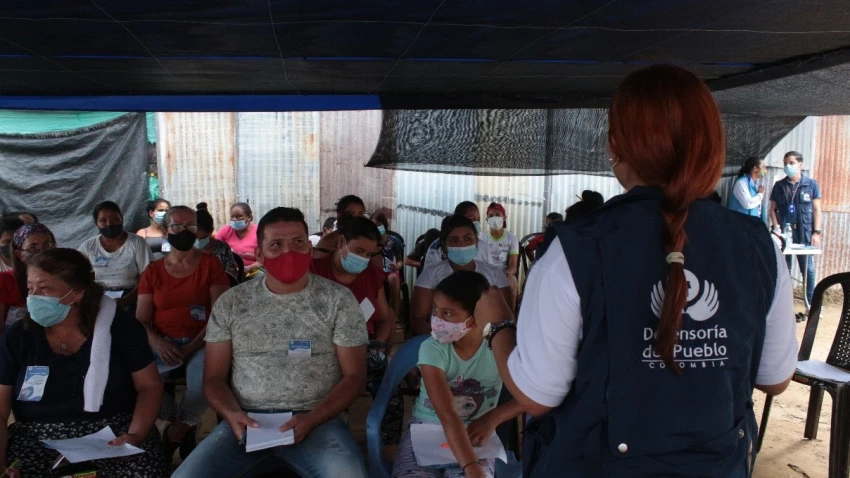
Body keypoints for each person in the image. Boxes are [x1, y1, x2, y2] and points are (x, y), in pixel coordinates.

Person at [475, 65, 798, 476]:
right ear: (711, 144)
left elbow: (537, 396)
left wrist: (497, 326)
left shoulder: (574, 249)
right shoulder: (759, 247)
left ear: (616, 146)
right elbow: (774, 379)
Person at [173, 207, 369, 478]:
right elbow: (213, 378)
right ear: (259, 255)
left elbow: (355, 377)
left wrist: (312, 419)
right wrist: (232, 415)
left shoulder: (338, 300)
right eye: (276, 244)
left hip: (318, 420)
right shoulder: (232, 303)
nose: (289, 252)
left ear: (310, 250)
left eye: (298, 243)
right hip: (245, 423)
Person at [0, 249, 164, 477]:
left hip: (113, 434)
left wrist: (135, 435)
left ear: (77, 293)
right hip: (37, 439)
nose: (34, 296)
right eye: (30, 288)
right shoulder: (20, 336)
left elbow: (149, 387)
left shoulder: (120, 328)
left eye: (45, 288)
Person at [392, 271, 523, 478]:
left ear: (475, 318)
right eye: (435, 309)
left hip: (476, 433)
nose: (436, 319)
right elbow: (447, 413)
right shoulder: (432, 348)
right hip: (426, 429)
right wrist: (471, 466)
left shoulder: (498, 347)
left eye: (448, 313)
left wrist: (494, 417)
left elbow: (533, 396)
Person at [136, 206, 229, 463]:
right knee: (132, 379)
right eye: (177, 226)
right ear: (166, 231)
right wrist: (156, 340)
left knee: (205, 385)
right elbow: (141, 320)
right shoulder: (153, 272)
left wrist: (191, 347)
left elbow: (219, 316)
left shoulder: (211, 265)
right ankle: (179, 421)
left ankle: (176, 430)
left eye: (190, 226)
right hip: (162, 342)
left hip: (204, 341)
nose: (184, 231)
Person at [310, 216, 403, 452]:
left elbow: (384, 318)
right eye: (358, 250)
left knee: (390, 384)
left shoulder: (370, 276)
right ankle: (335, 446)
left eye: (369, 254)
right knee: (327, 392)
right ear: (341, 242)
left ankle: (389, 450)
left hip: (363, 348)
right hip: (324, 350)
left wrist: (379, 346)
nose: (363, 259)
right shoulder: (313, 273)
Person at [411, 215, 511, 336]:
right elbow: (417, 320)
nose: (462, 245)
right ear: (444, 245)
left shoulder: (495, 275)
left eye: (468, 238)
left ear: (477, 241)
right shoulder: (430, 274)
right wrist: (441, 341)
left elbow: (507, 320)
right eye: (454, 240)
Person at [769, 151, 822, 306]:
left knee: (808, 269)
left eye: (791, 163)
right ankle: (784, 303)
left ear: (800, 164)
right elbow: (772, 209)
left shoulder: (811, 184)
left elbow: (817, 209)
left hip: (804, 232)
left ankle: (811, 303)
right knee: (784, 269)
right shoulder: (779, 186)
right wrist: (776, 228)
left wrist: (816, 232)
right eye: (786, 163)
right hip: (784, 233)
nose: (788, 166)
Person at [78, 201, 152, 310]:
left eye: (114, 219)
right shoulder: (89, 246)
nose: (109, 224)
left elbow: (147, 278)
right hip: (98, 297)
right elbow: (76, 273)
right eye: (103, 220)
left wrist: (125, 301)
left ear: (122, 218)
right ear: (96, 223)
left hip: (131, 296)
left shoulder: (136, 242)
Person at [0, 223, 56, 331]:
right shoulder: (4, 282)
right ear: (20, 255)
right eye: (33, 248)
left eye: (47, 245)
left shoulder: (63, 280)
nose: (42, 252)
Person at [422, 202, 488, 270]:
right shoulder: (437, 248)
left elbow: (490, 271)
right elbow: (431, 273)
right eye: (471, 219)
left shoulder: (483, 246)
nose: (476, 223)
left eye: (478, 219)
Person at [481, 203, 519, 302]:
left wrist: (505, 275)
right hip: (487, 273)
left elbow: (513, 267)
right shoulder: (481, 238)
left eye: (498, 215)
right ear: (487, 219)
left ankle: (510, 315)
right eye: (491, 216)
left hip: (505, 273)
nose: (494, 218)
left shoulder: (512, 238)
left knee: (513, 283)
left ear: (504, 217)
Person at [196, 202, 239, 284]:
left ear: (210, 232)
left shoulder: (222, 248)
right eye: (193, 237)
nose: (196, 241)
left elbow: (231, 274)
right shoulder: (186, 248)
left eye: (201, 238)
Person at [373, 212, 405, 318]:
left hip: (390, 271)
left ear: (384, 226)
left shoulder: (394, 241)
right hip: (374, 271)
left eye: (378, 226)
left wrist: (398, 266)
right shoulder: (370, 241)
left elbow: (400, 260)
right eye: (373, 226)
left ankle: (395, 318)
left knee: (394, 279)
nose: (376, 228)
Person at [215, 203, 260, 274]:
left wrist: (250, 268)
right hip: (230, 273)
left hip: (254, 272)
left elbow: (266, 259)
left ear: (249, 217)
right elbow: (214, 250)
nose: (234, 219)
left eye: (239, 216)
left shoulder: (259, 232)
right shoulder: (225, 231)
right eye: (232, 217)